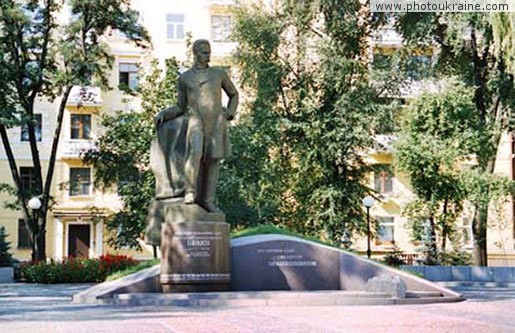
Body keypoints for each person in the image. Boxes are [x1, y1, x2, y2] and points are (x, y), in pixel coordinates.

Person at [155, 39, 239, 212]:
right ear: (195, 53)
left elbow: (233, 94)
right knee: (195, 153)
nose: (208, 56)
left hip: (216, 122)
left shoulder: (218, 74)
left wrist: (230, 112)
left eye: (209, 52)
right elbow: (180, 106)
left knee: (213, 161)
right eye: (204, 53)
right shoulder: (185, 78)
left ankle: (208, 200)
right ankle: (190, 192)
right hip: (196, 120)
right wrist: (164, 114)